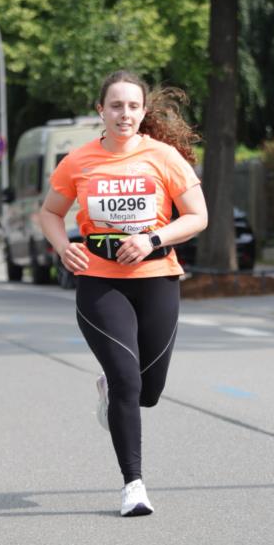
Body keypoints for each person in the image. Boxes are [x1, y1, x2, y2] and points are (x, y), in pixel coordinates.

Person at [39, 71, 208, 517]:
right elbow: (50, 213)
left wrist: (152, 239)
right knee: (127, 382)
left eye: (133, 106)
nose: (125, 114)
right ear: (101, 110)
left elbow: (197, 216)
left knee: (148, 392)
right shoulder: (78, 161)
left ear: (143, 111)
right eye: (116, 106)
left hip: (157, 277)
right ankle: (133, 485)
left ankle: (112, 391)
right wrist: (63, 247)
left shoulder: (164, 157)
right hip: (100, 281)